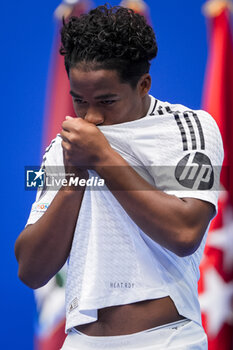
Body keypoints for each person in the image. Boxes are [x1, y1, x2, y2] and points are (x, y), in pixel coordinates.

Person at [15, 4, 224, 350]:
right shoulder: (64, 147)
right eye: (79, 101)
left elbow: (185, 232)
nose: (91, 117)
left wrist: (103, 158)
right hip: (80, 342)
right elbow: (31, 270)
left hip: (168, 340)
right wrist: (74, 179)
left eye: (107, 101)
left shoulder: (192, 127)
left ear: (143, 84)